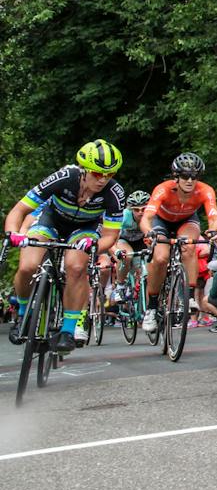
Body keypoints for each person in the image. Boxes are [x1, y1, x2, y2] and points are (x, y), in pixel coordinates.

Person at [3, 140, 125, 352]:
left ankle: (67, 331)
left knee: (76, 267)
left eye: (110, 174)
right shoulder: (64, 177)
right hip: (51, 220)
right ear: (83, 170)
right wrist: (14, 233)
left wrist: (94, 243)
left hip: (85, 228)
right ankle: (23, 313)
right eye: (97, 174)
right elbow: (19, 210)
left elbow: (111, 236)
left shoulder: (115, 193)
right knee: (27, 266)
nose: (103, 180)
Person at [140, 153, 217, 336]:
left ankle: (189, 296)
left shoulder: (205, 191)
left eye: (195, 176)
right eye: (185, 176)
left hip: (186, 220)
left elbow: (214, 218)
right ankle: (152, 308)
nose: (190, 180)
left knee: (189, 246)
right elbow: (147, 218)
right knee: (160, 258)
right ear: (176, 177)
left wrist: (213, 231)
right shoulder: (163, 189)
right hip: (161, 221)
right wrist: (149, 232)